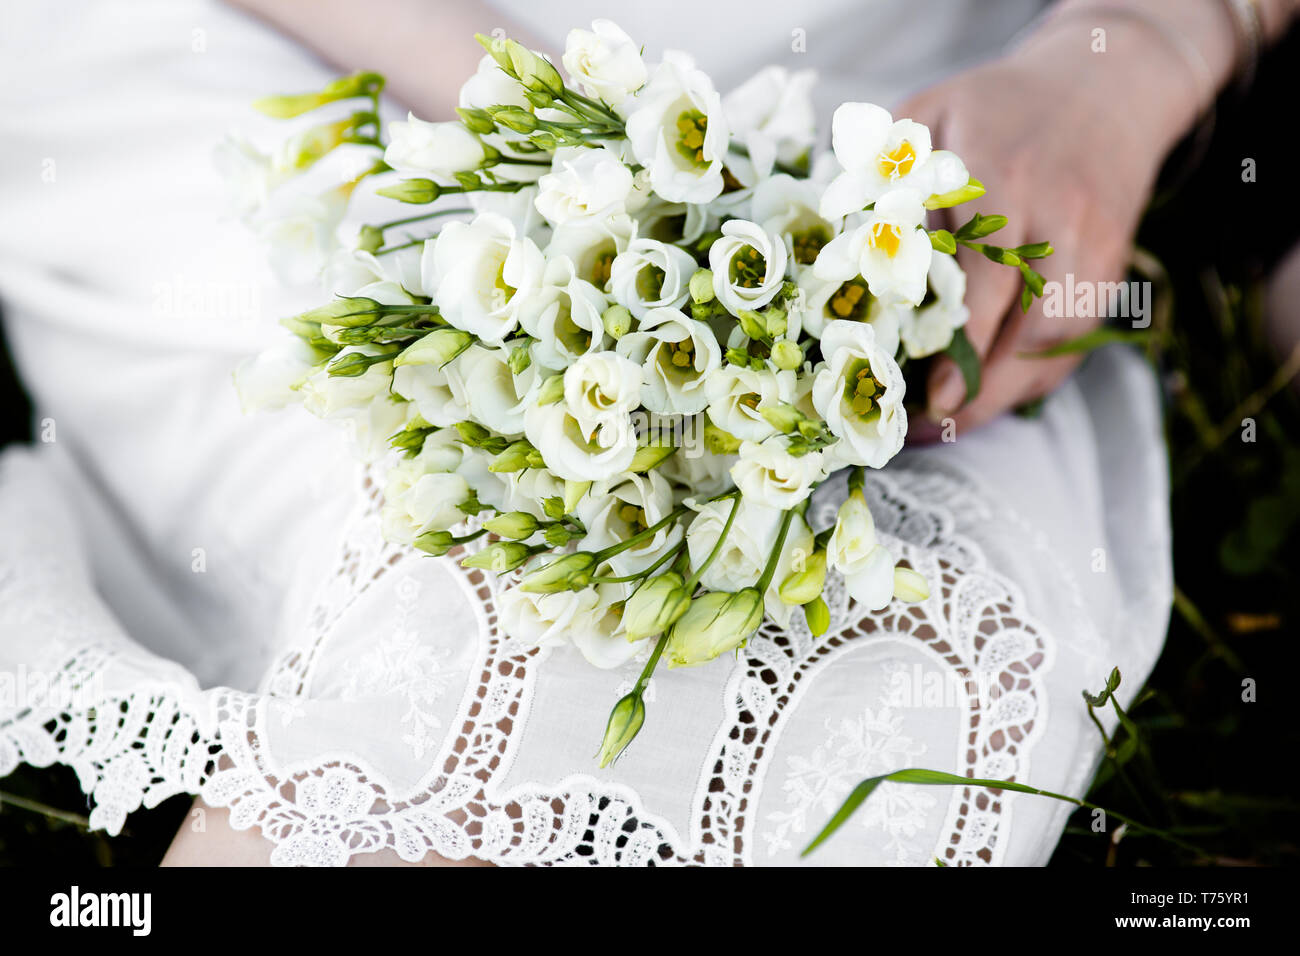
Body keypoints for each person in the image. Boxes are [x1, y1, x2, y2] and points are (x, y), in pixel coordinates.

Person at [0, 0, 1293, 867]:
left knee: (878, 669)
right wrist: (589, 160)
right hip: (292, 46)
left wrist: (1129, 62)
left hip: (904, 115)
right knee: (476, 590)